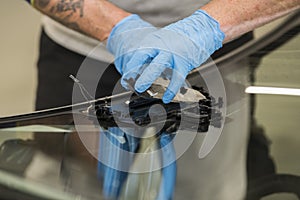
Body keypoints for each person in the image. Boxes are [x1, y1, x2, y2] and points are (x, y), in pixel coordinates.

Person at [23, 0, 299, 199]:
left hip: (216, 48)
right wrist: (116, 29)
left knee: (204, 188)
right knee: (67, 183)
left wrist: (204, 29)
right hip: (80, 47)